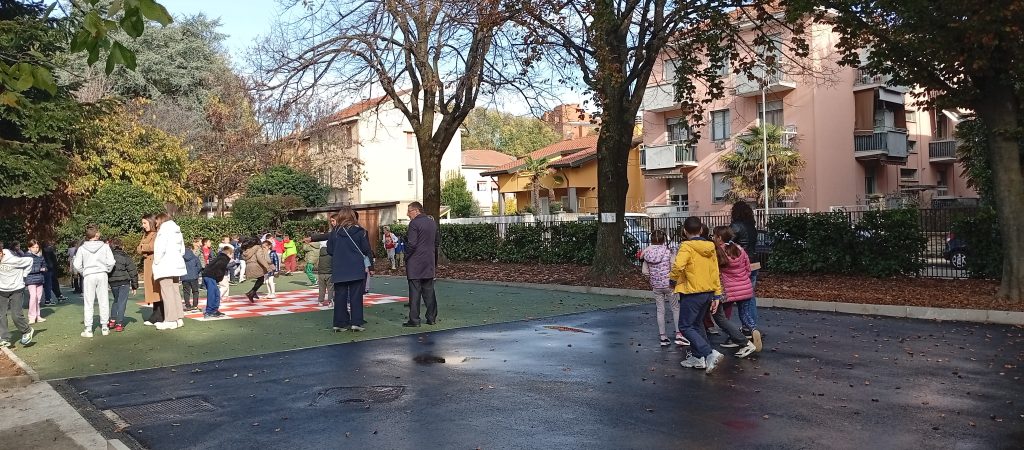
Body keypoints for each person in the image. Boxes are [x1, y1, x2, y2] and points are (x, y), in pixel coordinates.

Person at [670, 216, 726, 374]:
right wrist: (717, 294)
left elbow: (678, 266)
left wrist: (672, 280)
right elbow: (715, 271)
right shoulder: (711, 246)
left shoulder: (686, 246)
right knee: (696, 324)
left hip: (692, 292)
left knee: (685, 326)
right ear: (701, 230)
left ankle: (708, 353)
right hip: (708, 291)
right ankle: (698, 357)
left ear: (685, 231)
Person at [711, 226, 759, 358]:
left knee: (723, 317)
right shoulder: (739, 249)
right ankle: (753, 329)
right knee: (744, 313)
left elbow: (716, 270)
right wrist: (744, 279)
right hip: (745, 287)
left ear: (719, 238)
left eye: (714, 235)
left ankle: (733, 337)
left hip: (729, 290)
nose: (713, 238)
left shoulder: (718, 251)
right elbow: (748, 268)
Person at [326, 207, 373, 332]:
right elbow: (366, 250)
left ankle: (339, 323)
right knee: (356, 296)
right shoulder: (360, 231)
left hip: (339, 268)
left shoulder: (334, 232)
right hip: (356, 267)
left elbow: (329, 250)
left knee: (340, 297)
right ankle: (356, 323)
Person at [641, 230, 684, 347]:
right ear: (663, 239)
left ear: (651, 240)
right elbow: (674, 266)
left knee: (660, 309)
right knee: (675, 308)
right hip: (669, 285)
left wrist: (652, 277)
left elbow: (645, 272)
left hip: (656, 285)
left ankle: (663, 336)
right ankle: (678, 333)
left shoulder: (647, 254)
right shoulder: (668, 251)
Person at [73, 225, 116, 337]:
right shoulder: (105, 246)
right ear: (97, 234)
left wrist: (84, 272)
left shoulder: (82, 248)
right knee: (104, 300)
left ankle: (88, 329)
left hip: (89, 275)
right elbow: (111, 262)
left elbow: (77, 264)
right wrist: (106, 270)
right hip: (102, 274)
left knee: (88, 302)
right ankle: (105, 327)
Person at [402, 202, 438, 327]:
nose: (408, 214)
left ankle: (414, 319)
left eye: (409, 211)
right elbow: (436, 242)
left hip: (415, 262)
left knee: (415, 291)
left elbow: (412, 243)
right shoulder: (432, 222)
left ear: (416, 211)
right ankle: (431, 317)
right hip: (428, 261)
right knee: (429, 291)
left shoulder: (414, 223)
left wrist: (406, 256)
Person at [151, 213, 187, 330]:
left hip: (165, 266)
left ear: (161, 220)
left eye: (157, 221)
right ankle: (178, 318)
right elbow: (182, 250)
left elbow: (159, 249)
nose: (156, 224)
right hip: (176, 265)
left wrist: (156, 261)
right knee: (175, 292)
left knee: (167, 294)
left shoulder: (163, 231)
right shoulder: (177, 231)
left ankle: (170, 320)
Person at [730, 201, 761, 338]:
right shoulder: (752, 226)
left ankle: (747, 328)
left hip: (741, 264)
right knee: (750, 295)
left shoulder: (736, 226)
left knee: (741, 297)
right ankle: (752, 326)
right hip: (754, 262)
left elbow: (726, 242)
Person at [0, 248, 35, 347]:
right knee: (1, 315)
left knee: (16, 315)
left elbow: (30, 260)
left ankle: (27, 330)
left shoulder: (14, 259)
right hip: (1, 291)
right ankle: (4, 338)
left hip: (16, 289)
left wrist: (24, 275)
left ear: (1, 253)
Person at [107, 238, 138, 332]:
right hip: (124, 281)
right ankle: (119, 323)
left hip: (113, 282)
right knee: (122, 302)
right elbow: (132, 271)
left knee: (116, 300)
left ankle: (112, 320)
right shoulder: (125, 257)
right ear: (122, 246)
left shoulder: (109, 256)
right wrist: (134, 285)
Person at [137, 215, 163, 325]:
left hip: (155, 264)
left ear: (151, 222)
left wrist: (144, 247)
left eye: (145, 223)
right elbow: (138, 249)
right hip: (148, 265)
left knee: (157, 289)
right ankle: (156, 314)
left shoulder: (157, 234)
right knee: (152, 290)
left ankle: (159, 315)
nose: (143, 225)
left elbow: (153, 246)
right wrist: (144, 247)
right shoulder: (145, 234)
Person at [202, 246, 232, 318]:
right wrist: (218, 278)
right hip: (210, 276)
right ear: (229, 253)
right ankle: (209, 311)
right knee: (212, 293)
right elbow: (219, 269)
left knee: (216, 293)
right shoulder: (224, 259)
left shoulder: (221, 257)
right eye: (231, 254)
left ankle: (214, 310)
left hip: (210, 275)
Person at [24, 240, 47, 324]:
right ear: (29, 248)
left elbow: (45, 265)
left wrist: (44, 268)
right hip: (31, 279)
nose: (35, 249)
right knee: (33, 297)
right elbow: (26, 269)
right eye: (33, 247)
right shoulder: (26, 256)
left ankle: (38, 316)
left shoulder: (40, 256)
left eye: (37, 247)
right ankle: (31, 317)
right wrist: (39, 269)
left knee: (38, 298)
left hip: (40, 279)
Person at [181, 239, 203, 313]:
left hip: (184, 277)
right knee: (195, 291)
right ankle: (195, 305)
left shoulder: (182, 258)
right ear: (191, 249)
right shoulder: (195, 257)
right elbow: (199, 267)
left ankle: (188, 305)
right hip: (194, 276)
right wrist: (196, 272)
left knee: (186, 292)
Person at [41, 241, 66, 305]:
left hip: (48, 268)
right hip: (49, 268)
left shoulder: (44, 251)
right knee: (50, 284)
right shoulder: (49, 251)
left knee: (50, 283)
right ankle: (53, 297)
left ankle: (55, 296)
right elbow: (53, 260)